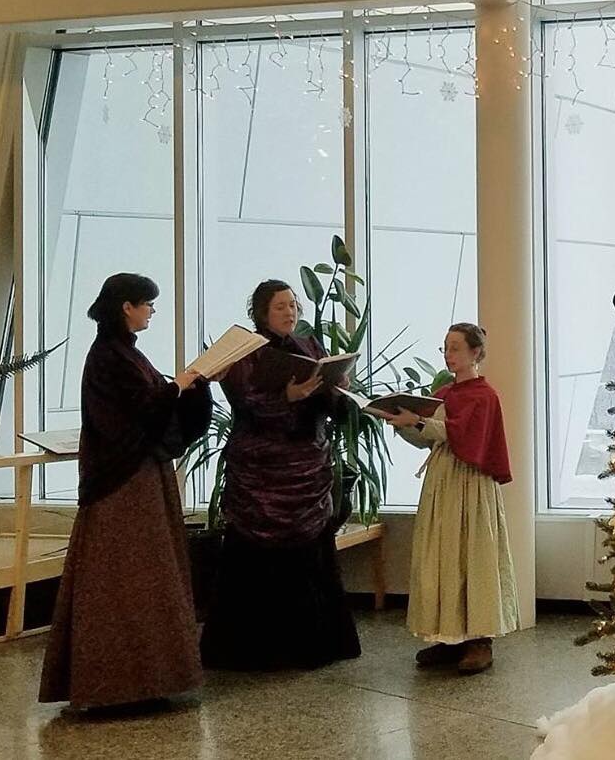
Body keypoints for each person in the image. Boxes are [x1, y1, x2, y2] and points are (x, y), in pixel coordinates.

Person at [39, 273, 213, 710]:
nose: (152, 311)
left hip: (140, 476)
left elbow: (152, 402)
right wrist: (179, 385)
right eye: (147, 303)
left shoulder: (123, 354)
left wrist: (194, 385)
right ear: (126, 307)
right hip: (123, 482)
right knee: (127, 580)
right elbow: (139, 411)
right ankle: (119, 684)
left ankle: (146, 679)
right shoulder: (107, 357)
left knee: (146, 577)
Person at [200, 279, 361, 670]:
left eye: (293, 305)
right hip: (261, 473)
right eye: (280, 307)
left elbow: (330, 409)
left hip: (307, 466)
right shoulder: (246, 353)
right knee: (254, 563)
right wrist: (287, 398)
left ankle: (315, 645)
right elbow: (244, 406)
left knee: (311, 558)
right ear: (261, 313)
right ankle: (255, 649)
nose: (290, 312)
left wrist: (337, 389)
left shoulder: (310, 347)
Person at [384, 323, 519, 674]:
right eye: (445, 348)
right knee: (442, 554)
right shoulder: (443, 394)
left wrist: (421, 422)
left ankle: (479, 640)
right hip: (442, 481)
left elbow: (464, 436)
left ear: (476, 352)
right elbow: (432, 438)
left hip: (470, 482)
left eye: (456, 347)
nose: (449, 354)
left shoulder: (484, 396)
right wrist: (404, 423)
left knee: (471, 554)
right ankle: (449, 636)